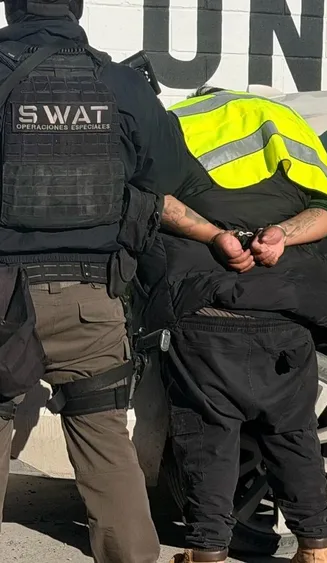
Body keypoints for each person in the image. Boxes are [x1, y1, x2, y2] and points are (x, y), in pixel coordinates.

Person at [0, 0, 209, 560]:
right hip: (89, 297)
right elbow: (170, 174)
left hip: (0, 297)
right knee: (105, 448)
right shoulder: (121, 84)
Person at [139, 85, 327, 563]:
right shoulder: (285, 125)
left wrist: (216, 237)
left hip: (208, 313)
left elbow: (155, 201)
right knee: (294, 435)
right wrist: (280, 237)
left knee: (207, 439)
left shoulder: (176, 124)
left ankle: (206, 552)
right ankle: (317, 549)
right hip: (286, 313)